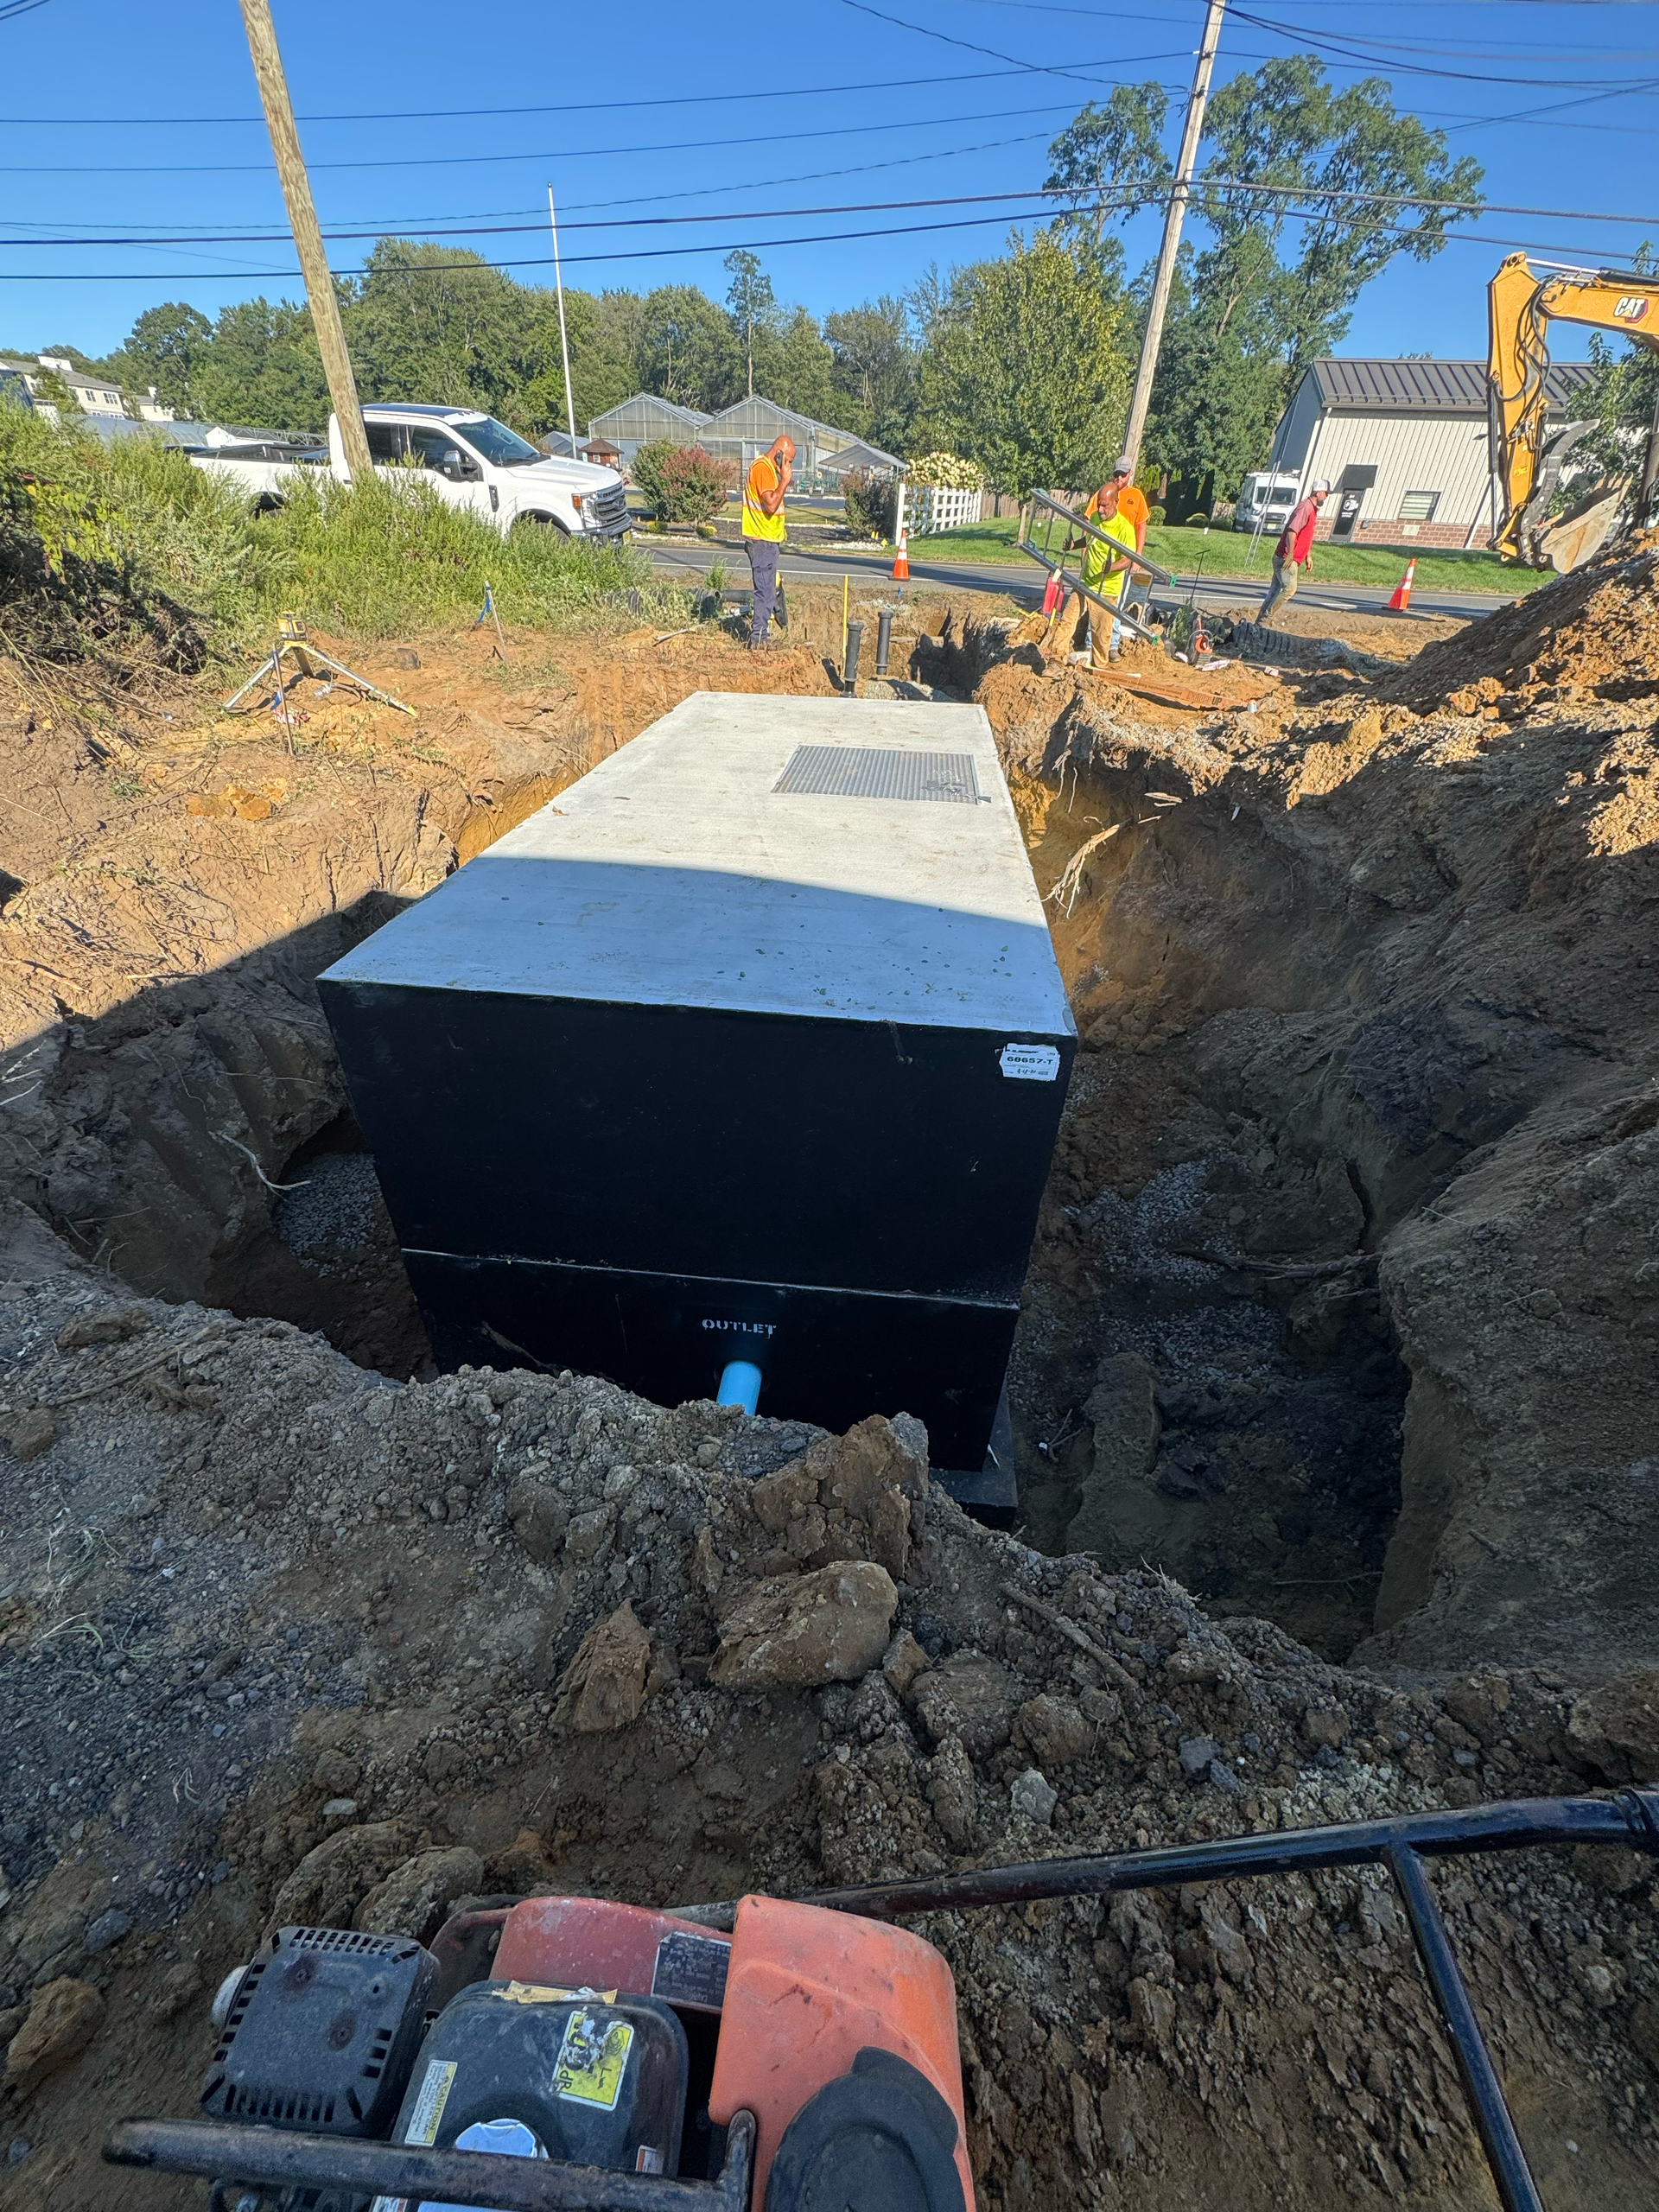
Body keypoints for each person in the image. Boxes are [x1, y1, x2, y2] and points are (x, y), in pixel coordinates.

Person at [1046, 480, 1137, 667]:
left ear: (1116, 502)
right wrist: (1073, 545)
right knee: (1067, 621)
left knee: (1101, 638)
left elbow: (1128, 560)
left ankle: (1099, 669)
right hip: (1085, 583)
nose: (1101, 510)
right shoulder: (1095, 518)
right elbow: (1088, 540)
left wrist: (1111, 567)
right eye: (1099, 505)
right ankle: (1055, 661)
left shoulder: (1125, 529)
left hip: (1107, 590)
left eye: (1105, 506)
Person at [742, 434, 793, 650]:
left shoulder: (769, 470)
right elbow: (771, 504)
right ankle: (759, 641)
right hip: (761, 542)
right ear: (779, 454)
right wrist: (784, 481)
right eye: (788, 461)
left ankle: (761, 638)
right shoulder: (763, 469)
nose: (789, 466)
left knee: (768, 592)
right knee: (764, 593)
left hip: (768, 542)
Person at [1261, 478, 1330, 621]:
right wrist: (1291, 554)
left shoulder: (1311, 509)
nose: (1327, 496)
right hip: (1287, 558)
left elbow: (1306, 535)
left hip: (1289, 557)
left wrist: (1308, 556)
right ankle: (1266, 619)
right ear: (1318, 493)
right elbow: (1292, 531)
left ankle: (1259, 622)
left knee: (1275, 591)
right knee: (1289, 590)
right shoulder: (1306, 508)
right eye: (1325, 493)